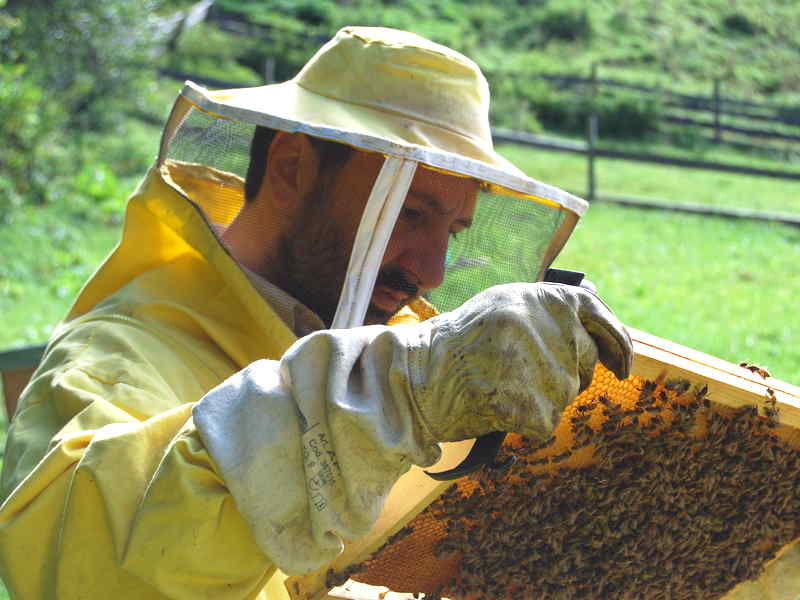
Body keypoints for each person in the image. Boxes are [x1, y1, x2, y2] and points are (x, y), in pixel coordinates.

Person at [0, 27, 634, 599]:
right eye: (407, 214)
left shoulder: (411, 353)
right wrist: (387, 393)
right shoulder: (118, 355)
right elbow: (83, 569)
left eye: (455, 231)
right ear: (291, 169)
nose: (434, 271)